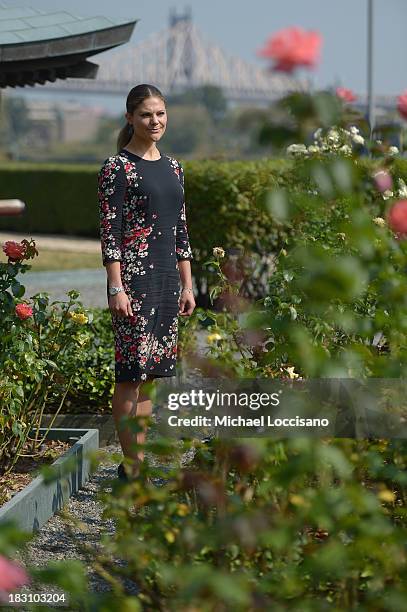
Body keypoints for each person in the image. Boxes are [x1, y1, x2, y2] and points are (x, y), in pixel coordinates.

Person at [97, 84, 195, 481]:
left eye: (160, 114)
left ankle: (135, 464)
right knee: (130, 375)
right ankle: (132, 466)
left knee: (152, 374)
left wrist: (188, 285)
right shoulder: (116, 168)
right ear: (130, 118)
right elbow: (111, 231)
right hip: (134, 281)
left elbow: (181, 230)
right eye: (146, 115)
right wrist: (115, 287)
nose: (155, 122)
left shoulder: (174, 168)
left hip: (167, 281)